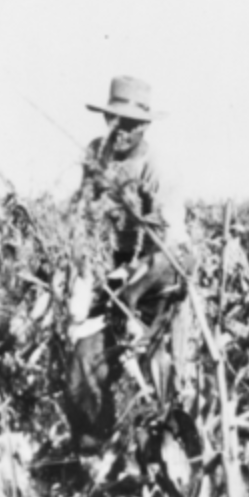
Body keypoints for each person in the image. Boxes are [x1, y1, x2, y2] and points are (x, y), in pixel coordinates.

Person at [65, 76, 195, 450]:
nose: (119, 131)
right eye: (113, 121)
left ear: (144, 126)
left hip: (160, 271)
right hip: (116, 267)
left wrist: (131, 295)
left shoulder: (159, 169)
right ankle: (93, 454)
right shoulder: (96, 153)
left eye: (129, 124)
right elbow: (83, 214)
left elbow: (167, 250)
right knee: (83, 365)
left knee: (160, 376)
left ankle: (168, 456)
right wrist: (83, 268)